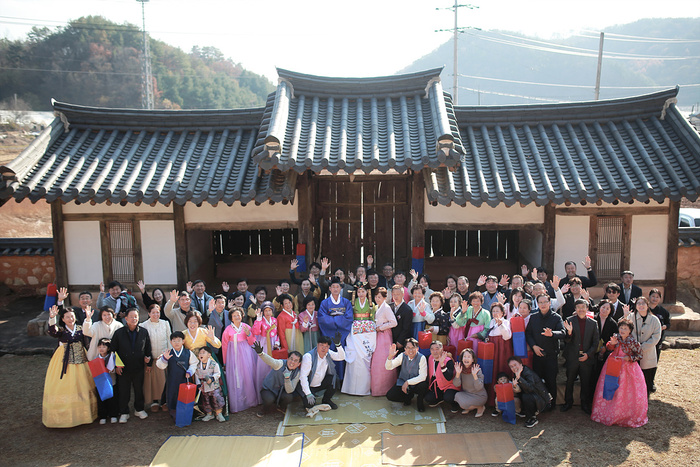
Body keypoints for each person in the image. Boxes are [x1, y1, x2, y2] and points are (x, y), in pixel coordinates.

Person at [42, 305, 97, 428]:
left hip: (81, 360)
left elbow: (88, 337)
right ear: (62, 319)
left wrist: (88, 318)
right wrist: (52, 318)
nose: (70, 319)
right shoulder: (61, 331)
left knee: (82, 383)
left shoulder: (81, 329)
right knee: (65, 385)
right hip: (63, 361)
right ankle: (64, 416)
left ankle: (84, 415)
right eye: (67, 317)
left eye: (72, 316)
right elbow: (52, 332)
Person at [591, 319, 648, 427]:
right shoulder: (616, 337)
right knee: (609, 386)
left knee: (624, 390)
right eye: (621, 328)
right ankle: (607, 413)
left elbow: (639, 355)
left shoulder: (633, 342)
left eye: (625, 328)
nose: (622, 330)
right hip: (612, 365)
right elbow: (609, 348)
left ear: (630, 330)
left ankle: (624, 415)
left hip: (627, 368)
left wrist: (630, 358)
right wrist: (611, 344)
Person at [110, 308, 152, 423]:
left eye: (136, 317)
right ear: (126, 318)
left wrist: (149, 362)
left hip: (139, 366)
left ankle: (139, 409)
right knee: (124, 391)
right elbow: (113, 350)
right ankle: (124, 412)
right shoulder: (119, 333)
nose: (134, 319)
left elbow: (148, 348)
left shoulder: (143, 332)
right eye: (131, 316)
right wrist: (116, 366)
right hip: (123, 368)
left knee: (139, 389)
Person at [525, 293, 565, 408]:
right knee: (537, 381)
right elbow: (528, 333)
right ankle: (540, 404)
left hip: (551, 355)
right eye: (540, 302)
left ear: (549, 303)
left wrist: (552, 334)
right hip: (537, 354)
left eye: (545, 302)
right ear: (537, 304)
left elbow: (563, 333)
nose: (543, 304)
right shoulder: (533, 317)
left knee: (551, 381)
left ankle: (551, 405)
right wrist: (533, 346)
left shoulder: (556, 317)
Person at [561, 299, 599, 414]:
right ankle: (568, 402)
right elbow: (566, 341)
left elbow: (595, 342)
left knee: (585, 382)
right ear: (575, 309)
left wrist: (588, 354)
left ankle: (585, 404)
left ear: (587, 308)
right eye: (578, 307)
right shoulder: (569, 320)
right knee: (570, 381)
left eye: (583, 307)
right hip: (573, 357)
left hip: (586, 357)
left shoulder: (593, 323)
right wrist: (569, 333)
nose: (581, 309)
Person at [221, 307, 259, 413]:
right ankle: (238, 402)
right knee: (236, 376)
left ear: (242, 316)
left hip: (246, 354)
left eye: (238, 315)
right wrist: (225, 361)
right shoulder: (228, 330)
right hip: (233, 355)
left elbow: (252, 342)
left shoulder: (246, 326)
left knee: (247, 375)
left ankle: (250, 400)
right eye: (234, 316)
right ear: (231, 318)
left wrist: (248, 334)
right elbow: (224, 346)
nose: (237, 317)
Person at [342, 281, 377, 395]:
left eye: (363, 291)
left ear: (367, 292)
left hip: (367, 333)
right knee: (354, 356)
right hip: (355, 332)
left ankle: (364, 388)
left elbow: (373, 318)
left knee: (365, 358)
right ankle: (350, 388)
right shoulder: (352, 303)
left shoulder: (371, 304)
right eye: (359, 292)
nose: (361, 294)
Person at [155, 331, 198, 421]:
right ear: (171, 342)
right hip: (172, 381)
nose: (176, 343)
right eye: (174, 341)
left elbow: (194, 363)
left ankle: (186, 414)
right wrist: (164, 359)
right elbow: (160, 366)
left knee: (185, 397)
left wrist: (190, 371)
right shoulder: (168, 353)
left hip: (185, 380)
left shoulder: (188, 353)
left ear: (183, 341)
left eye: (179, 340)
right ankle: (175, 414)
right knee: (173, 397)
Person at [253, 342, 303, 417]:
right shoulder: (280, 364)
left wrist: (287, 378)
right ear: (287, 359)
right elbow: (271, 361)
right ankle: (265, 409)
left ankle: (281, 407)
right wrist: (261, 353)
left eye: (295, 360)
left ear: (299, 364)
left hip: (282, 392)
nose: (292, 362)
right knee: (269, 399)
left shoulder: (297, 373)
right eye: (291, 359)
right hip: (269, 389)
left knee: (289, 397)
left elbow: (290, 390)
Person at [318, 277, 353, 380]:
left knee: (342, 354)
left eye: (337, 287)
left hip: (342, 334)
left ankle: (342, 379)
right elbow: (322, 318)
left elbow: (349, 318)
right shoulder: (325, 303)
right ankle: (330, 379)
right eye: (333, 287)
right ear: (330, 288)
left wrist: (333, 320)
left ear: (341, 288)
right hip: (329, 333)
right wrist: (338, 321)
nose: (335, 289)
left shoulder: (346, 302)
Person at [298, 334, 345, 410]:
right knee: (309, 405)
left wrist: (338, 345)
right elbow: (303, 377)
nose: (323, 348)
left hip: (320, 383)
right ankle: (306, 396)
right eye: (321, 345)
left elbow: (341, 357)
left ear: (328, 347)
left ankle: (326, 400)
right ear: (317, 345)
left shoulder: (328, 353)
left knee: (335, 379)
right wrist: (308, 394)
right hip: (309, 385)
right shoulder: (308, 356)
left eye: (326, 346)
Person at [139, 304, 172, 412]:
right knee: (152, 382)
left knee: (164, 381)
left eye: (157, 312)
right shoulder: (143, 325)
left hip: (163, 358)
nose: (155, 314)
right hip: (151, 359)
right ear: (149, 313)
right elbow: (143, 343)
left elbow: (169, 339)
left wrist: (168, 356)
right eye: (153, 312)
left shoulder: (165, 323)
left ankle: (164, 401)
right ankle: (154, 402)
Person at [629, 296, 662, 397]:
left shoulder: (654, 320)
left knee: (646, 379)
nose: (641, 305)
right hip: (633, 352)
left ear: (647, 306)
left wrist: (642, 347)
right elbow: (625, 332)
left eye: (643, 303)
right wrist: (635, 346)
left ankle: (644, 400)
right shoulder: (630, 317)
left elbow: (656, 337)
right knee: (633, 380)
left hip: (648, 353)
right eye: (638, 303)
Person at [508, 356, 552, 428]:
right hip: (534, 396)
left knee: (526, 396)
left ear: (520, 364)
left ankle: (532, 417)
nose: (514, 368)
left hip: (542, 401)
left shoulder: (528, 373)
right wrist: (515, 386)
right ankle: (524, 411)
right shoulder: (517, 373)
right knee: (518, 393)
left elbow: (530, 388)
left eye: (515, 365)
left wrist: (519, 378)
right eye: (511, 366)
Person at [385, 338, 428, 411]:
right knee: (390, 395)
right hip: (403, 382)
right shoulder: (402, 355)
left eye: (413, 348)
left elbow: (423, 376)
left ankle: (420, 402)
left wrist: (408, 382)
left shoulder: (422, 358)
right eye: (408, 348)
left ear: (417, 349)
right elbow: (389, 367)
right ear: (405, 349)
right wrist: (390, 357)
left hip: (416, 384)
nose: (410, 350)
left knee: (423, 385)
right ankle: (408, 397)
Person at [371, 287, 398, 396]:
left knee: (382, 360)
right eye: (376, 297)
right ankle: (377, 388)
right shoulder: (377, 307)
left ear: (384, 298)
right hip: (378, 335)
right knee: (376, 362)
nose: (377, 299)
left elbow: (394, 322)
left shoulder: (386, 308)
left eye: (379, 297)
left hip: (384, 336)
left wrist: (381, 327)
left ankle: (385, 388)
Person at [485, 302, 513, 404]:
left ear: (502, 313)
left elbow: (507, 336)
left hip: (502, 349)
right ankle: (492, 399)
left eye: (497, 311)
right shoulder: (491, 322)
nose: (495, 313)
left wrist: (501, 325)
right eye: (493, 311)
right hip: (492, 349)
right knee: (492, 370)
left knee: (501, 368)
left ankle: (505, 399)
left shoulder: (506, 322)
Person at [252, 301, 280, 393]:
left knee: (273, 365)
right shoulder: (260, 320)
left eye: (269, 310)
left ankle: (273, 389)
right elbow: (256, 332)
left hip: (273, 344)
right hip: (263, 344)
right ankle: (262, 389)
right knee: (263, 366)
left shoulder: (275, 320)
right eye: (266, 310)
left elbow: (278, 333)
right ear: (263, 312)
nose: (268, 312)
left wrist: (277, 343)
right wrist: (258, 319)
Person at [592, 299, 618, 393]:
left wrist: (605, 348)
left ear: (611, 311)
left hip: (606, 352)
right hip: (592, 350)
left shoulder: (613, 323)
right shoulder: (592, 319)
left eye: (608, 308)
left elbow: (614, 339)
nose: (605, 310)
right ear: (599, 307)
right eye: (603, 307)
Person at [194, 347, 226, 422]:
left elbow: (217, 373)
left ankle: (219, 413)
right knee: (206, 400)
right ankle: (209, 414)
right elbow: (196, 375)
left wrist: (212, 379)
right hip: (204, 387)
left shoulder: (214, 364)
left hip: (214, 386)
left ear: (209, 355)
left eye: (203, 353)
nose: (201, 354)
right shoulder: (198, 365)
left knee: (216, 399)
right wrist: (198, 384)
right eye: (200, 353)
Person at [452, 348, 487, 416]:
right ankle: (469, 407)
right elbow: (456, 384)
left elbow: (479, 388)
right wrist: (458, 373)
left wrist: (474, 375)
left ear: (473, 359)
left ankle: (480, 407)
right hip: (467, 394)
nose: (466, 359)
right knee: (457, 396)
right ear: (462, 359)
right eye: (464, 356)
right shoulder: (460, 369)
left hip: (479, 396)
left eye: (469, 357)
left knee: (464, 404)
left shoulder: (477, 369)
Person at [424, 341, 458, 409]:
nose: (435, 351)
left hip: (448, 385)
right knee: (428, 398)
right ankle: (440, 398)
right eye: (432, 349)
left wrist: (442, 365)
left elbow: (449, 377)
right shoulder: (430, 357)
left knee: (448, 397)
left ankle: (455, 404)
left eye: (437, 349)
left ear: (441, 349)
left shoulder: (448, 361)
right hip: (437, 384)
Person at [648, 288, 670, 392]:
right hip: (645, 339)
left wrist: (663, 327)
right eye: (653, 296)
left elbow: (668, 324)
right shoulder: (644, 308)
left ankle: (651, 381)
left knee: (654, 362)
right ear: (649, 297)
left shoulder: (663, 311)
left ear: (660, 299)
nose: (655, 299)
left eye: (657, 297)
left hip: (657, 340)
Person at [93, 338, 119, 424]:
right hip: (100, 383)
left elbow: (116, 368)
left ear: (108, 348)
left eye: (104, 347)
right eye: (100, 347)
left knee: (112, 399)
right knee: (101, 400)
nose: (101, 349)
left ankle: (113, 415)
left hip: (111, 381)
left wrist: (112, 369)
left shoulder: (112, 357)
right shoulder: (96, 358)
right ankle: (103, 416)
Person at [390, 284, 413, 351]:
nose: (396, 296)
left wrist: (400, 341)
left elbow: (406, 328)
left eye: (398, 294)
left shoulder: (407, 309)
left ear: (403, 294)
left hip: (401, 341)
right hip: (390, 338)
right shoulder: (389, 307)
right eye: (394, 294)